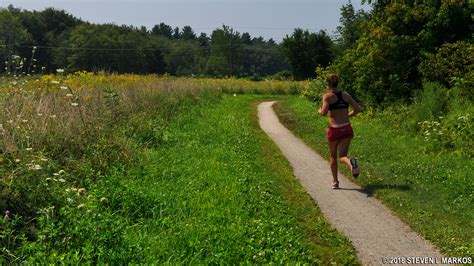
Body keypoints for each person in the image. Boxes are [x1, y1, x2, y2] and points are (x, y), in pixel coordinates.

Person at [318, 74, 363, 189]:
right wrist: (349, 115)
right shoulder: (345, 95)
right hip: (346, 128)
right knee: (342, 156)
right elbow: (358, 109)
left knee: (333, 156)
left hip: (334, 129)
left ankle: (335, 182)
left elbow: (323, 112)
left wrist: (319, 110)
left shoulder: (327, 96)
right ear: (338, 83)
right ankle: (351, 164)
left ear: (328, 84)